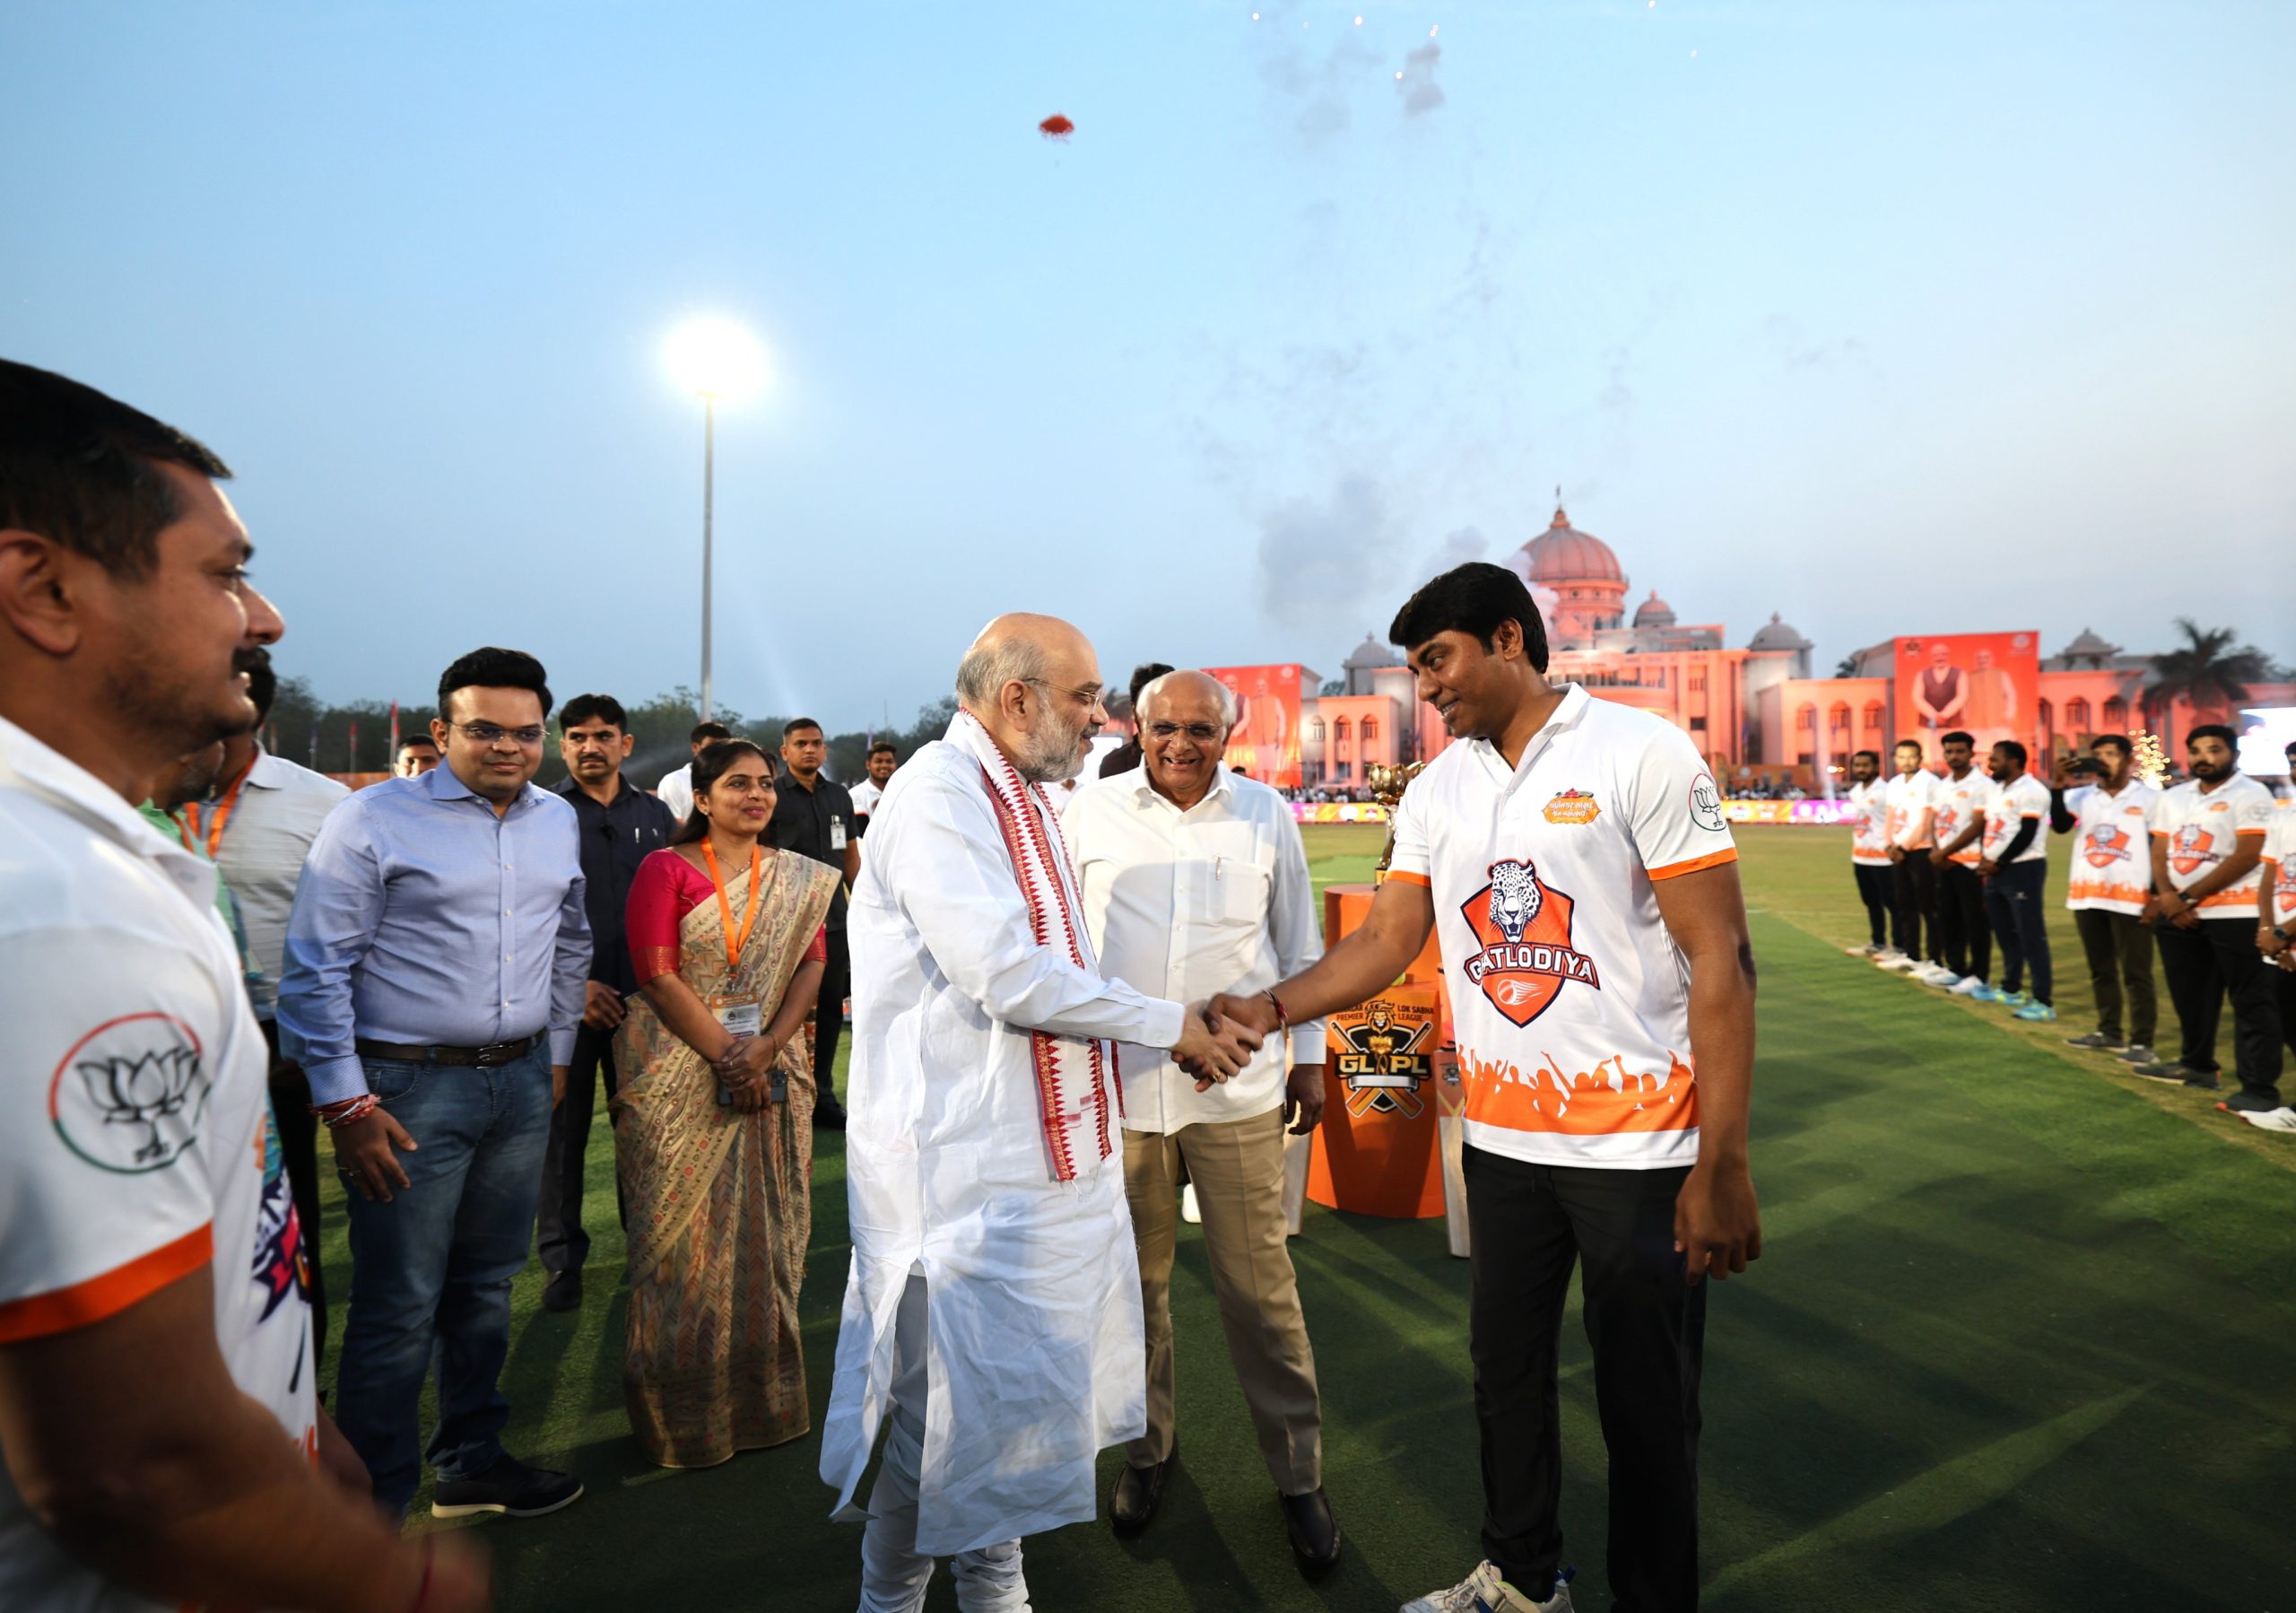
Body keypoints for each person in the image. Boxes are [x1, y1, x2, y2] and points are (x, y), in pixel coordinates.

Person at [0, 359, 487, 1609]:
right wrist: (401, 1590)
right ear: (44, 589)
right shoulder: (58, 909)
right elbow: (141, 1466)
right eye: (223, 573)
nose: (261, 619)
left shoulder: (76, 857)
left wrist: (283, 1418)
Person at [1212, 562, 1761, 1613]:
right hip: (1503, 1141)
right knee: (1503, 1377)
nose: (1425, 687)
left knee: (1646, 1404)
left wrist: (1722, 1162)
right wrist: (1270, 1007)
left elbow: (1722, 959)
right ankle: (1520, 1577)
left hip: (1640, 1149)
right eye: (1415, 668)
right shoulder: (1436, 786)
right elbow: (1385, 937)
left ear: (1508, 637)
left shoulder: (1640, 751)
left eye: (1437, 660)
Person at [819, 613, 1260, 1613]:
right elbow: (1007, 975)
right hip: (957, 1183)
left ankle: (996, 1590)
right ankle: (888, 1600)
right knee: (938, 1429)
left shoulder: (1024, 794)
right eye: (1084, 697)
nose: (1100, 718)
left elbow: (1061, 968)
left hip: (1032, 1173)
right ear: (1015, 698)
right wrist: (1168, 1024)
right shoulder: (939, 794)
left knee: (1010, 1423)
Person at [278, 646, 592, 1521]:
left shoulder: (554, 819)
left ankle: (471, 1458)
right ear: (441, 732)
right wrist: (346, 1103)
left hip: (523, 1081)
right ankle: (368, 1512)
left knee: (487, 1285)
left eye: (526, 732)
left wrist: (557, 1052)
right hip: (405, 1093)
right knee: (398, 1302)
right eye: (484, 730)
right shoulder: (372, 819)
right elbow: (314, 971)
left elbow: (570, 941)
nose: (508, 747)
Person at [1065, 671, 1338, 1569]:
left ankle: (1298, 1476)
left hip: (1239, 1094)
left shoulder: (1266, 815)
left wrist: (1308, 1061)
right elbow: (1058, 956)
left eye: (1200, 728)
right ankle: (1148, 1452)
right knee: (1136, 1294)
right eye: (1164, 727)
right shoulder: (1086, 813)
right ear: (1135, 727)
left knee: (1260, 1296)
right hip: (1124, 1094)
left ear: (1230, 732)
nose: (1180, 743)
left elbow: (1300, 949)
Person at [614, 739, 839, 1463]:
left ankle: (766, 1406)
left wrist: (767, 1047)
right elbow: (656, 974)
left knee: (767, 1240)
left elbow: (813, 966)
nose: (757, 795)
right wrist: (729, 1055)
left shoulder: (797, 879)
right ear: (702, 800)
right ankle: (683, 1426)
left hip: (771, 1068)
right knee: (679, 1247)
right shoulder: (666, 869)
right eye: (737, 784)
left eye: (765, 784)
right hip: (679, 1073)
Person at [202, 646, 352, 1363]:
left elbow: (357, 941)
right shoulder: (130, 794)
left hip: (275, 1048)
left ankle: (300, 1391)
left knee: (281, 1223)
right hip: (165, 1041)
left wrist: (316, 1050)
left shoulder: (320, 804)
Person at [538, 693, 679, 1312]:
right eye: (576, 737)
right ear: (561, 746)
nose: (589, 747)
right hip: (564, 1006)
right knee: (562, 1137)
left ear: (626, 744)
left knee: (645, 1134)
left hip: (646, 1003)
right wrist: (569, 989)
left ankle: (646, 1248)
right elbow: (521, 915)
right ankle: (562, 1260)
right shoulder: (537, 814)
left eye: (602, 736)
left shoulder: (655, 815)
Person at [2135, 725, 2281, 1110]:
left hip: (2236, 911)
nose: (2204, 757)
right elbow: (2160, 850)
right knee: (2191, 996)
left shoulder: (2252, 794)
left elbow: (2249, 854)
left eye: (2214, 749)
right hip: (2179, 912)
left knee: (2250, 1000)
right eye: (2196, 750)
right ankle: (2197, 1066)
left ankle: (2258, 1089)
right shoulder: (2175, 796)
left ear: (2233, 754)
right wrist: (2168, 897)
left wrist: (2185, 898)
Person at [768, 717, 861, 1131]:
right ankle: (780, 1093)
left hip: (836, 922)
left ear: (825, 751)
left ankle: (822, 1094)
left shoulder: (838, 795)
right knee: (782, 1009)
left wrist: (862, 906)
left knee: (828, 1009)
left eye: (817, 743)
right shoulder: (772, 795)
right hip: (787, 922)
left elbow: (850, 856)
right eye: (801, 743)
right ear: (785, 751)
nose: (810, 750)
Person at [2053, 736, 2160, 1060]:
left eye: (2111, 755)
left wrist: (2156, 894)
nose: (2102, 760)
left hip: (2132, 897)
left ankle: (2142, 1043)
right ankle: (2110, 1032)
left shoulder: (2151, 798)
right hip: (2088, 894)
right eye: (2096, 755)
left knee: (2137, 973)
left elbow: (2159, 847)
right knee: (2101, 969)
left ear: (2129, 760)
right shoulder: (2081, 796)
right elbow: (2058, 826)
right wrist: (2058, 786)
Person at [1966, 741, 2055, 1021]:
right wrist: (1985, 858)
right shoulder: (1997, 790)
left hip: (2022, 869)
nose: (1990, 764)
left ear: (2015, 761)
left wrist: (1999, 862)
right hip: (1995, 870)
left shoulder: (2032, 791)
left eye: (1996, 759)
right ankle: (2011, 987)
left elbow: (2027, 833)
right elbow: (1990, 830)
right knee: (2004, 932)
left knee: (2031, 935)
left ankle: (2043, 1000)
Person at [1923, 731, 1991, 993]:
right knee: (1949, 918)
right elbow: (1937, 821)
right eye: (1949, 751)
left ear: (1971, 753)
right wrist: (1937, 851)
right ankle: (1955, 968)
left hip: (1970, 863)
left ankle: (1980, 974)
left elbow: (1977, 826)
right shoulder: (1943, 785)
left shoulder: (1982, 785)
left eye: (1960, 751)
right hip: (1945, 862)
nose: (1954, 756)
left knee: (1974, 920)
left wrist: (1945, 852)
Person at [2247, 811, 2296, 1129]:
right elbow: (2269, 876)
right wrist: (2269, 928)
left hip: (2284, 939)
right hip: (2281, 945)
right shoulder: (2285, 817)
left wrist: (2282, 934)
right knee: (2290, 1026)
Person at [1879, 739, 1941, 974]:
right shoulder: (1894, 784)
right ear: (1895, 759)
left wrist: (1904, 847)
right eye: (1902, 757)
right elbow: (1890, 816)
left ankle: (1935, 959)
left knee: (1929, 906)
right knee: (1905, 904)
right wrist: (1889, 844)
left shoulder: (1929, 783)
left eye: (1911, 756)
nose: (1906, 761)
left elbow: (1927, 822)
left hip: (1921, 850)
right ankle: (1911, 954)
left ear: (1920, 757)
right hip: (1898, 852)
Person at [1841, 750, 1893, 957]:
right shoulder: (1856, 791)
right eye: (1857, 765)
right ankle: (1878, 942)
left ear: (1876, 766)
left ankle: (1900, 947)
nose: (1861, 769)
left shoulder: (1886, 791)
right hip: (1861, 856)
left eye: (1866, 765)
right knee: (1871, 902)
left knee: (1893, 904)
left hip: (1883, 858)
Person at [1099, 660, 1176, 779]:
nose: (1159, 713)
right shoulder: (1114, 766)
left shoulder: (1193, 760)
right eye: (1150, 704)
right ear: (1133, 708)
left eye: (1166, 703)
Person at [656, 719, 732, 824]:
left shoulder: (732, 781)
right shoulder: (675, 781)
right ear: (695, 747)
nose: (716, 752)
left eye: (723, 748)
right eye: (711, 746)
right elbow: (673, 827)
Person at [1912, 641, 1968, 733]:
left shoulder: (1960, 673)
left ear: (1948, 656)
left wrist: (1944, 715)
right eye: (1936, 655)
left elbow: (1962, 696)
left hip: (1953, 724)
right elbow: (1917, 698)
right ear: (1931, 657)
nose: (1940, 658)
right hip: (1928, 725)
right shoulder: (1921, 674)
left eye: (1943, 654)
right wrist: (1934, 716)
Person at [850, 741, 898, 827]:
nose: (884, 766)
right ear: (868, 765)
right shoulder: (856, 794)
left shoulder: (902, 792)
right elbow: (860, 832)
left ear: (895, 764)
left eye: (889, 761)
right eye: (878, 761)